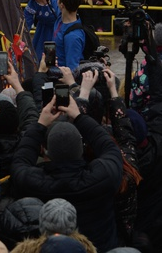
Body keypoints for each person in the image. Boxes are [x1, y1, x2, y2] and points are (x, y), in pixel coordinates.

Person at [11, 92, 123, 251]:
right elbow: (110, 148)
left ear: (45, 152)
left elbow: (20, 161)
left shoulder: (32, 182)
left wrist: (40, 124)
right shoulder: (103, 176)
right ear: (81, 149)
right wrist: (79, 117)